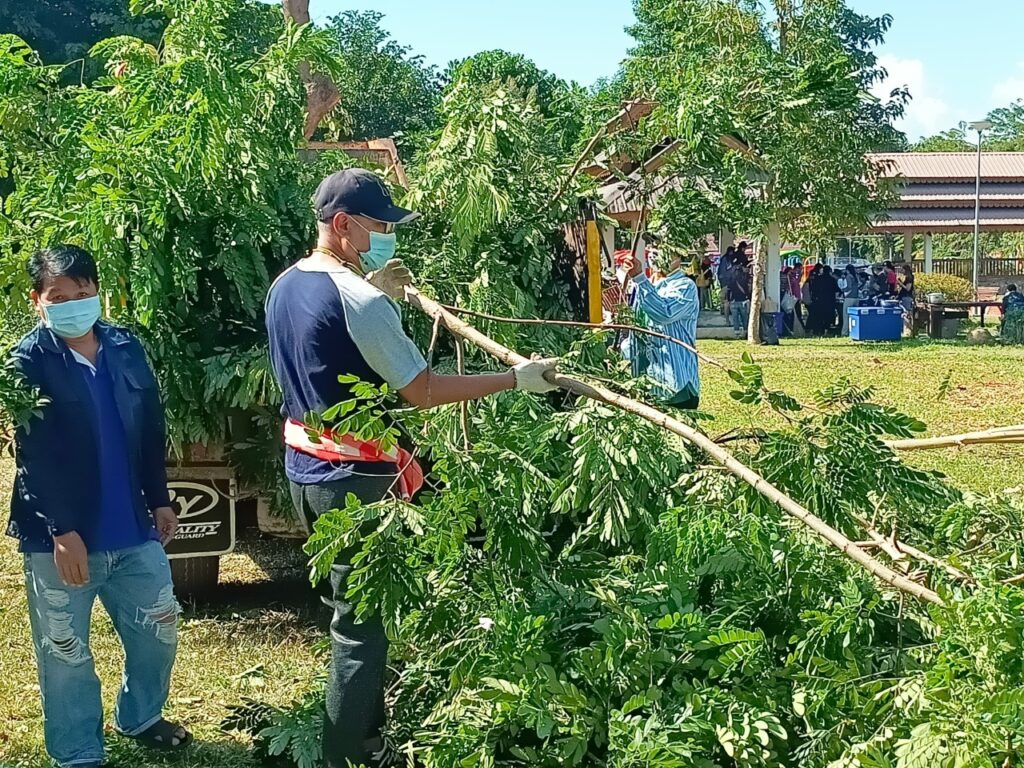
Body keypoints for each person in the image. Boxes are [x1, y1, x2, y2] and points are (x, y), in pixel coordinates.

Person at [264, 168, 558, 768]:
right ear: (343, 224)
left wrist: (372, 290)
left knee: (351, 611)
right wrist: (514, 379)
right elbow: (421, 390)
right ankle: (346, 756)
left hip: (304, 471)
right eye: (379, 225)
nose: (387, 235)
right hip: (355, 483)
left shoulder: (285, 285)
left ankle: (366, 737)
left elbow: (325, 348)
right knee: (360, 628)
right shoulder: (363, 302)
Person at [7, 246, 189, 768]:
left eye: (83, 293)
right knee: (64, 652)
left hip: (131, 527)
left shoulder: (125, 347)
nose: (74, 305)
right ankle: (78, 751)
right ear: (37, 301)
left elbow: (149, 428)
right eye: (59, 297)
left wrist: (159, 498)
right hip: (63, 538)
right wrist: (62, 529)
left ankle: (141, 716)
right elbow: (33, 456)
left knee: (158, 630)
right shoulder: (27, 363)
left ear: (97, 293)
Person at [621, 247, 701, 408]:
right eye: (653, 248)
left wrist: (639, 278)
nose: (654, 253)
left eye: (663, 249)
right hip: (645, 384)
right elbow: (640, 327)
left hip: (677, 388)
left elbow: (664, 313)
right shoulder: (644, 286)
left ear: (679, 256)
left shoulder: (685, 286)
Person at [728, 254, 752, 338]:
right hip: (742, 300)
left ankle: (737, 333)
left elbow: (729, 290)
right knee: (744, 317)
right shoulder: (744, 279)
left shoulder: (731, 279)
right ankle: (745, 332)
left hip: (733, 300)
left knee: (735, 319)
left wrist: (729, 300)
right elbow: (747, 290)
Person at [841, 264, 860, 335]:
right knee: (854, 316)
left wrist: (842, 290)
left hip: (849, 298)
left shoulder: (848, 277)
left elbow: (849, 287)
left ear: (847, 270)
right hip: (856, 297)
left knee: (846, 315)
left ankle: (845, 332)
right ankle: (854, 331)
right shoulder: (856, 277)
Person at [718, 245, 736, 318]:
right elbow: (724, 270)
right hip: (725, 280)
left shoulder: (727, 259)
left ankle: (726, 310)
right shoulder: (725, 259)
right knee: (725, 296)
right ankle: (724, 310)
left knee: (726, 296)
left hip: (726, 279)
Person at [898, 264, 916, 335]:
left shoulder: (909, 278)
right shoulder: (908, 277)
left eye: (902, 269)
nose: (901, 271)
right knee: (906, 314)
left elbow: (908, 288)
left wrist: (900, 284)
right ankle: (908, 331)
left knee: (906, 314)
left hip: (906, 297)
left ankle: (909, 330)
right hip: (906, 297)